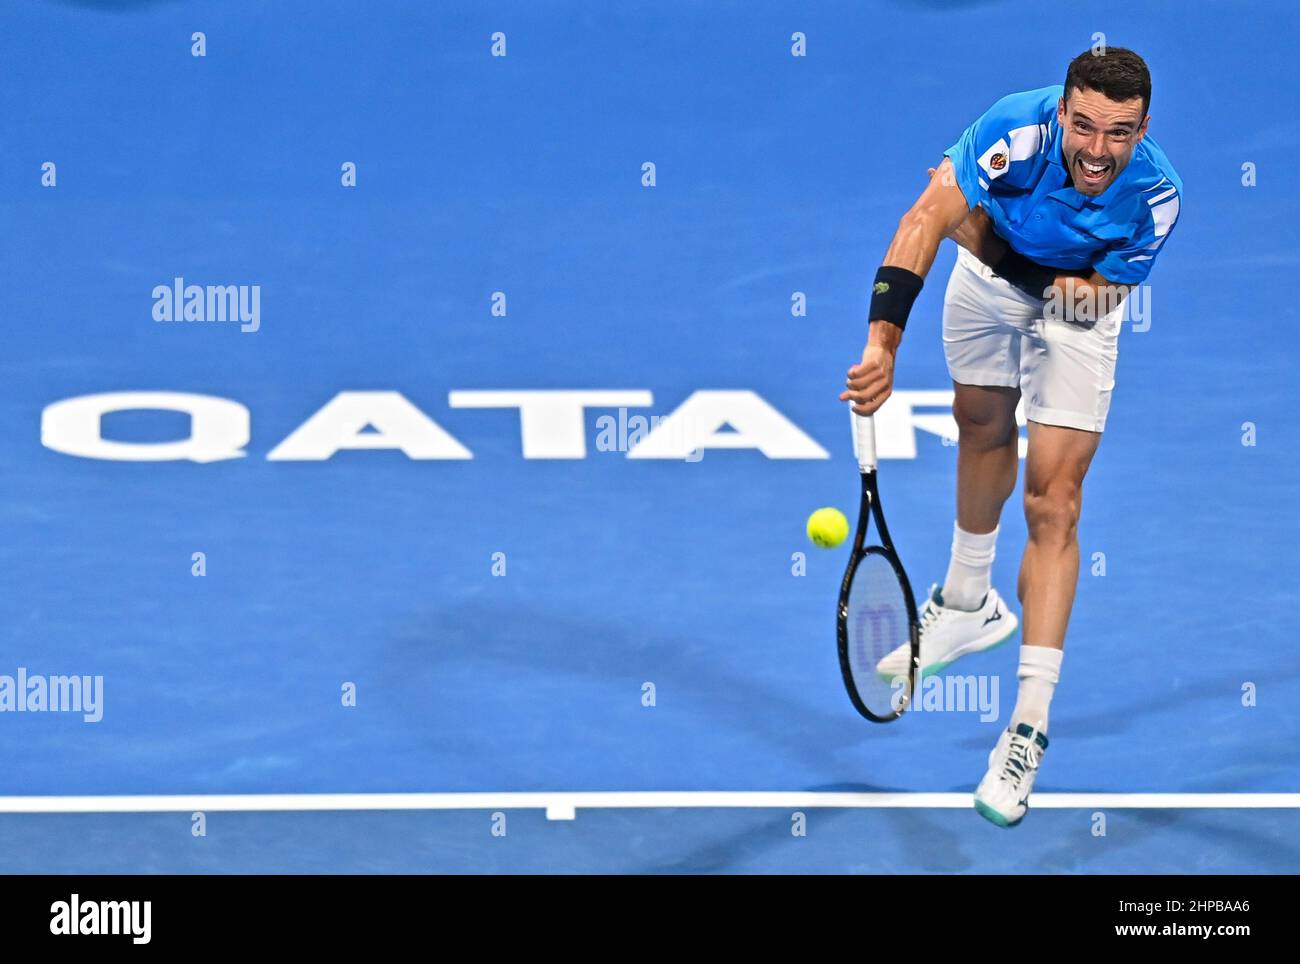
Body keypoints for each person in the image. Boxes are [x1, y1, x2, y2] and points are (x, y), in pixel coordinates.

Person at [839, 47, 1182, 827]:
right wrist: (883, 343)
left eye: (1119, 134)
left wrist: (990, 241)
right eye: (1085, 125)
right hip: (988, 288)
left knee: (1054, 505)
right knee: (980, 423)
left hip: (1076, 308)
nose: (1098, 150)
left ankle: (1026, 730)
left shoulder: (1156, 195)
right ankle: (967, 603)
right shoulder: (1013, 131)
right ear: (1062, 111)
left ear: (1144, 129)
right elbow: (927, 216)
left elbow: (1093, 299)